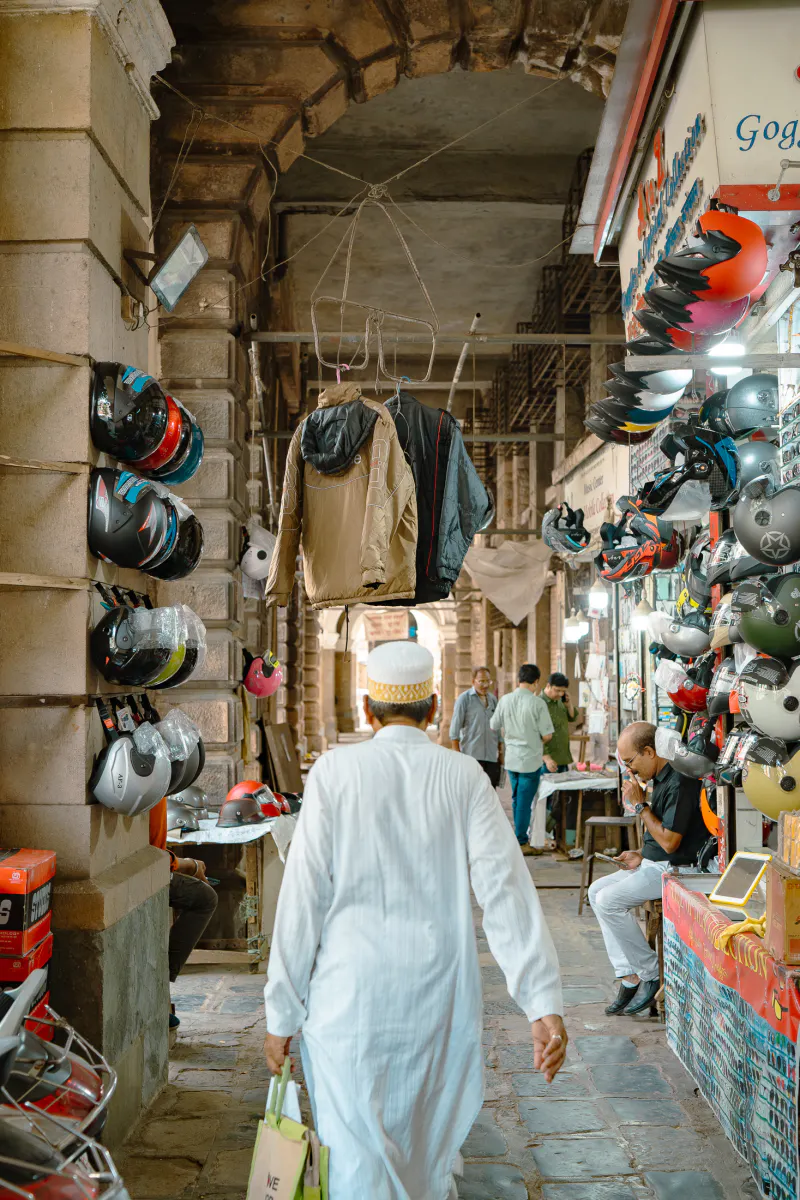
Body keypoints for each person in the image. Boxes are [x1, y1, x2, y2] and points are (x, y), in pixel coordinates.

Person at [264, 641, 566, 1200]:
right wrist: (540, 1001)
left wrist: (282, 1009)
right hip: (439, 1005)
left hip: (348, 1004)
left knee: (353, 1159)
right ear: (433, 707)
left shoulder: (334, 772)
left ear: (365, 707)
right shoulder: (464, 777)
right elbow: (505, 893)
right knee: (426, 1163)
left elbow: (302, 898)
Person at [588, 721, 706, 1017]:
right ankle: (629, 975)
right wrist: (640, 854)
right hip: (654, 863)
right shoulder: (661, 777)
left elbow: (669, 843)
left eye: (631, 761)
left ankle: (651, 972)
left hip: (674, 868)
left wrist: (641, 806)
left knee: (609, 901)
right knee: (596, 891)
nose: (629, 770)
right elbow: (660, 836)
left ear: (650, 752)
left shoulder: (681, 781)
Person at [149, 798, 218, 1030]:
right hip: (146, 871)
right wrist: (189, 865)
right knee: (205, 898)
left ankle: (161, 986)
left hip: (155, 865)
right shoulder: (149, 786)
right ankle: (159, 987)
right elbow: (151, 855)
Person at [490, 663, 554, 855]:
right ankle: (521, 840)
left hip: (512, 759)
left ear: (519, 680)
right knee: (524, 801)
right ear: (536, 682)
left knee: (518, 799)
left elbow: (494, 724)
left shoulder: (505, 700)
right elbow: (548, 735)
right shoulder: (537, 703)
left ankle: (519, 836)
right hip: (530, 759)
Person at [449, 665, 503, 785]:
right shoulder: (464, 699)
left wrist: (501, 752)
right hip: (471, 756)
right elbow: (454, 731)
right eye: (481, 681)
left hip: (491, 757)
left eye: (488, 681)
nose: (485, 685)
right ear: (473, 681)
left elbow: (497, 728)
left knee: (490, 793)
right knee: (471, 793)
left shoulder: (493, 700)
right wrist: (457, 756)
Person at [542, 672, 580, 774]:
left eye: (563, 691)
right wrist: (546, 759)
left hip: (563, 758)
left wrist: (569, 705)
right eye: (557, 690)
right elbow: (534, 735)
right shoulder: (539, 703)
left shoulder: (560, 701)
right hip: (546, 761)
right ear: (548, 686)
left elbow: (573, 718)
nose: (560, 694)